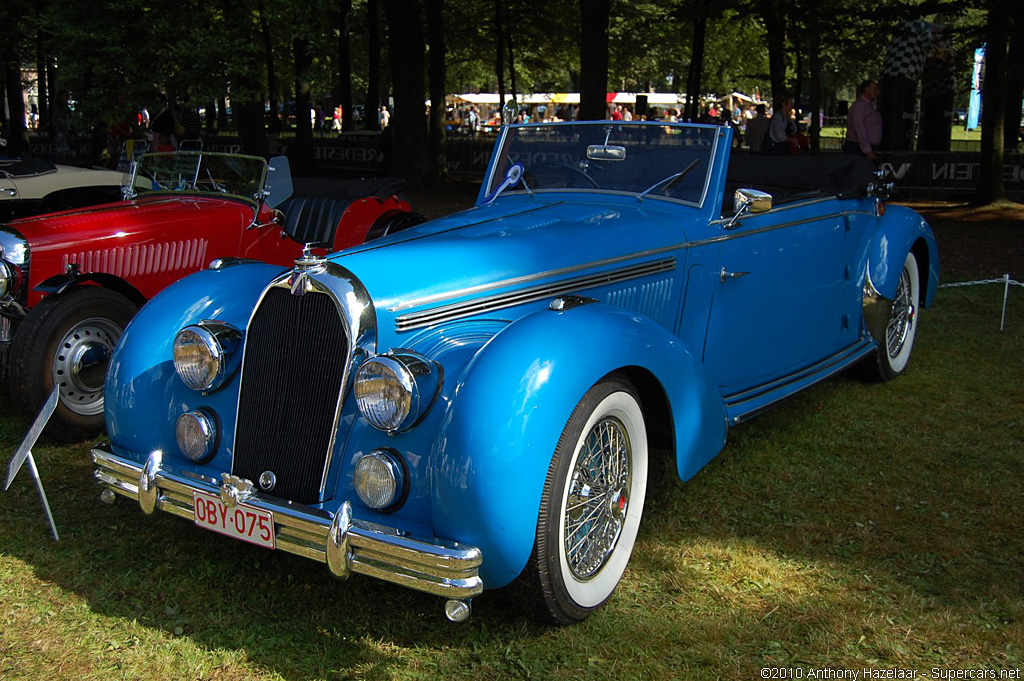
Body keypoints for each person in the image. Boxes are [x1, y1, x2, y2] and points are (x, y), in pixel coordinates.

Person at [844, 79, 882, 162]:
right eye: (875, 89)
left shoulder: (870, 107)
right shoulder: (859, 106)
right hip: (857, 148)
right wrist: (867, 150)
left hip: (866, 147)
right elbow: (859, 128)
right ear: (867, 89)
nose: (878, 92)